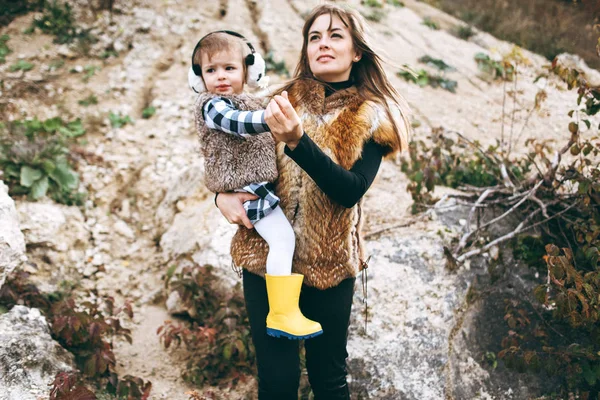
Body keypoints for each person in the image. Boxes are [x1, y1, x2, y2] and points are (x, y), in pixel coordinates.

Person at [216, 4, 412, 399]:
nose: (323, 44)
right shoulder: (277, 100)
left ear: (357, 51)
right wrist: (221, 196)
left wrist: (297, 141)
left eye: (336, 36)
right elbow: (230, 159)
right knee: (277, 380)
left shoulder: (372, 116)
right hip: (265, 260)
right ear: (305, 48)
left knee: (328, 378)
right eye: (315, 37)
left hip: (331, 266)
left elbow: (350, 189)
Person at [188, 30, 323, 340]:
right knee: (283, 240)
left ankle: (284, 311)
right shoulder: (212, 105)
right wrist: (272, 119)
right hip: (249, 190)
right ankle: (282, 313)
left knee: (284, 239)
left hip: (257, 187)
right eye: (211, 70)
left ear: (250, 71)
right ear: (199, 79)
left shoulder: (247, 99)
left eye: (229, 68)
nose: (220, 77)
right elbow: (236, 122)